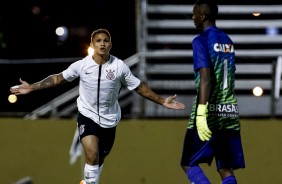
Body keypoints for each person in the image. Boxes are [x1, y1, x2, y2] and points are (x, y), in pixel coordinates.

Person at [10, 28, 186, 184]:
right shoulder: (82, 65)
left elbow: (139, 87)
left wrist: (163, 101)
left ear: (110, 45)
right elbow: (58, 78)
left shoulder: (119, 67)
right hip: (87, 115)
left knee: (98, 160)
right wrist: (31, 87)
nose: (102, 44)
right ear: (92, 45)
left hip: (110, 120)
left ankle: (88, 182)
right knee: (92, 155)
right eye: (98, 41)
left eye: (106, 40)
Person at [180, 1, 245, 184]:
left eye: (194, 14)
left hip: (209, 112)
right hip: (229, 112)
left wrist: (201, 112)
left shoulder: (200, 41)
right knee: (224, 166)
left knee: (188, 162)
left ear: (202, 16)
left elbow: (206, 78)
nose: (193, 17)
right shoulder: (227, 40)